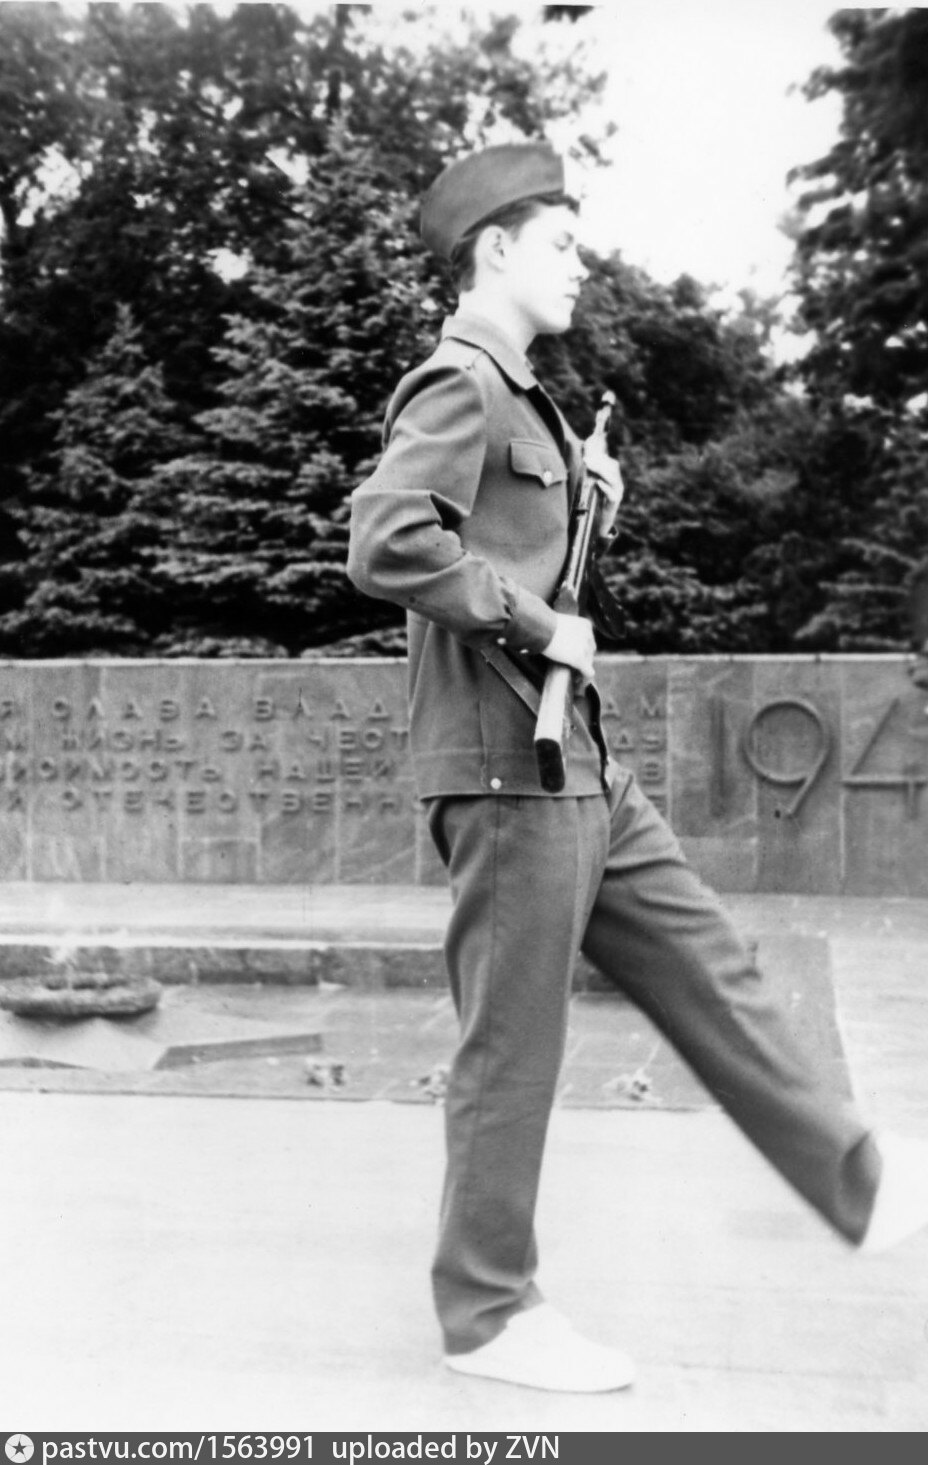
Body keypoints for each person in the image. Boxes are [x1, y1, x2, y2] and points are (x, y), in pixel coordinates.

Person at [347, 141, 928, 1393]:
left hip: (572, 760)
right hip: (507, 767)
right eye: (559, 244)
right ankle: (487, 1313)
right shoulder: (458, 382)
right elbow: (387, 544)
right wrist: (539, 622)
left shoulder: (531, 405)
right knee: (513, 1048)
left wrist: (588, 507)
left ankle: (859, 1176)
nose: (580, 265)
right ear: (495, 249)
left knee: (712, 963)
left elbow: (507, 548)